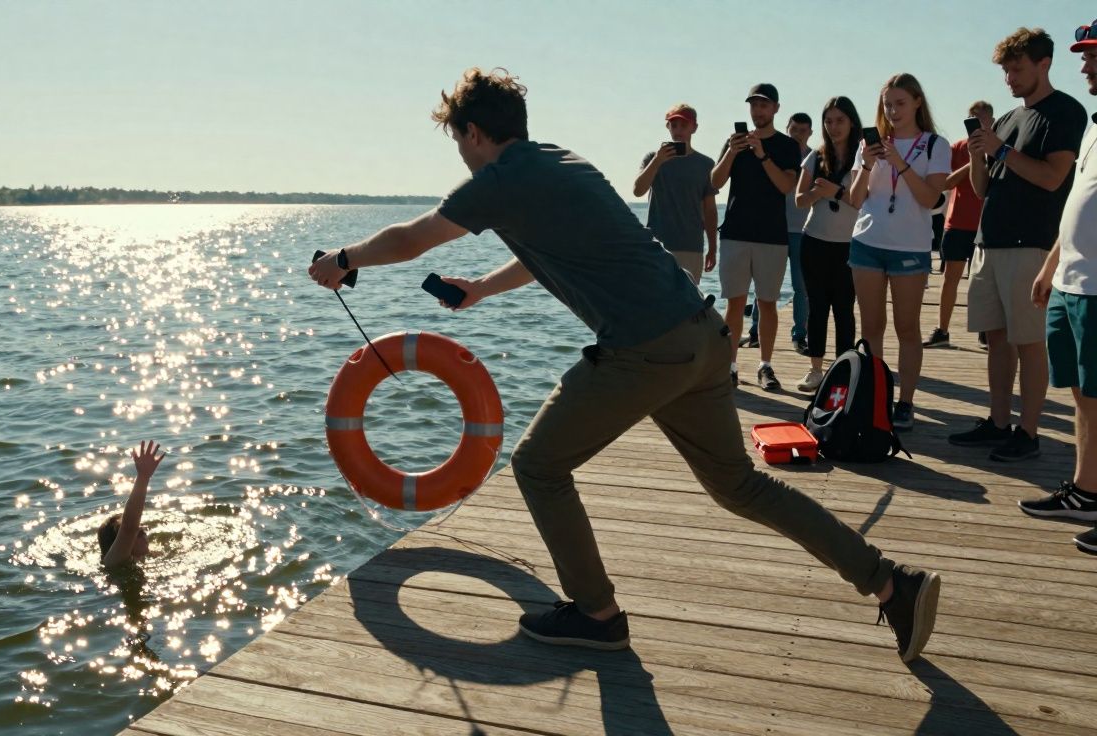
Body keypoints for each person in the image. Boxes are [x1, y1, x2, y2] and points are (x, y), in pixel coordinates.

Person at [310, 67, 941, 662]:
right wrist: (479, 288)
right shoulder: (561, 162)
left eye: (459, 141)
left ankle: (598, 615)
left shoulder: (498, 180)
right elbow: (547, 251)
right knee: (741, 486)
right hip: (700, 336)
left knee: (537, 466)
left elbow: (414, 236)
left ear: (474, 133)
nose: (461, 153)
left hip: (645, 348)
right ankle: (891, 583)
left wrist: (345, 256)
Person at [952, 28, 1088, 463]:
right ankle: (997, 422)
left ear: (1044, 64)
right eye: (1006, 71)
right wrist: (979, 153)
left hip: (1030, 245)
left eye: (1017, 69)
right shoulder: (1008, 119)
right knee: (996, 338)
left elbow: (1053, 178)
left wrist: (1002, 150)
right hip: (988, 243)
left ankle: (1028, 432)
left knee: (1029, 342)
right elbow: (980, 188)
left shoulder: (1065, 111)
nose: (1009, 78)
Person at [1018, 25, 1097, 553]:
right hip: (1072, 278)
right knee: (1082, 395)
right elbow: (1078, 205)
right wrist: (1052, 264)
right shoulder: (1093, 127)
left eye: (1093, 58)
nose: (1086, 67)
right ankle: (1086, 490)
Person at [848, 73, 951, 432]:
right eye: (887, 104)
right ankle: (877, 397)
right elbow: (855, 200)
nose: (892, 111)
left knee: (907, 328)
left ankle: (905, 402)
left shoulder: (935, 145)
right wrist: (866, 164)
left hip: (909, 247)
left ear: (917, 102)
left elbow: (931, 199)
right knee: (871, 326)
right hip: (867, 244)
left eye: (900, 103)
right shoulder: (870, 145)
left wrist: (901, 164)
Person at [711, 83, 803, 390]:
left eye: (764, 105)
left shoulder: (787, 146)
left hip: (771, 236)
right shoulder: (734, 142)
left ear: (776, 108)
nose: (758, 110)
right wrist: (732, 153)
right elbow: (715, 182)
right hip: (736, 233)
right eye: (754, 105)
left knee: (767, 303)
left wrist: (762, 156)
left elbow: (786, 186)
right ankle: (730, 365)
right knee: (735, 303)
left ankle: (765, 366)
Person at [793, 97, 862, 391]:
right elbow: (799, 200)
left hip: (850, 245)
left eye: (840, 121)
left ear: (851, 122)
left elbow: (861, 202)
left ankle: (843, 371)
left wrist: (835, 191)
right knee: (817, 307)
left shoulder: (862, 156)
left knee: (844, 309)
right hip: (814, 242)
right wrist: (815, 194)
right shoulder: (815, 156)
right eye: (828, 121)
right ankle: (815, 369)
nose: (833, 127)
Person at [925, 101, 996, 348]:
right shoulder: (958, 148)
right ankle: (942, 330)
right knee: (950, 279)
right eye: (972, 118)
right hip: (956, 223)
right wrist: (972, 161)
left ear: (991, 122)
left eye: (981, 118)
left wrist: (985, 155)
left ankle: (985, 332)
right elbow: (944, 184)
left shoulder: (998, 148)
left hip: (985, 225)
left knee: (982, 283)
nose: (976, 122)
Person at [746, 111, 814, 354]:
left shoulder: (814, 160)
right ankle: (754, 331)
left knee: (800, 286)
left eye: (803, 131)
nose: (797, 135)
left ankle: (800, 334)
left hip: (800, 231)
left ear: (810, 133)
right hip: (772, 228)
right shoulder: (774, 152)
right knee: (763, 285)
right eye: (794, 129)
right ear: (787, 128)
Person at [633, 104, 718, 284]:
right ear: (668, 127)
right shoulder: (652, 158)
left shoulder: (705, 164)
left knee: (688, 305)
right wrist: (657, 161)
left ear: (694, 127)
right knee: (655, 301)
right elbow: (638, 191)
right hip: (657, 245)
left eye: (684, 125)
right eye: (674, 125)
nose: (678, 130)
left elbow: (710, 210)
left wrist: (712, 247)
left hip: (691, 246)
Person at [98, 440, 166, 568]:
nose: (143, 530)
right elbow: (129, 527)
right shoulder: (113, 561)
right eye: (138, 533)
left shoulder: (146, 558)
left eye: (140, 530)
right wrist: (143, 477)